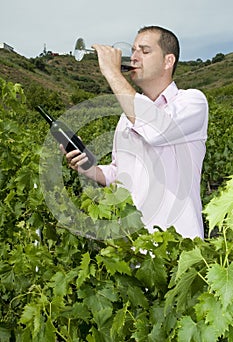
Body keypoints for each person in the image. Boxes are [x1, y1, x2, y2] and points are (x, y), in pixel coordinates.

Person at [62, 25, 208, 239]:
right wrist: (88, 168)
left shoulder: (192, 102)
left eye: (145, 51)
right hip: (133, 248)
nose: (134, 57)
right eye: (133, 50)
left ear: (168, 61)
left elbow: (155, 130)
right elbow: (119, 173)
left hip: (180, 247)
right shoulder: (126, 119)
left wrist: (112, 72)